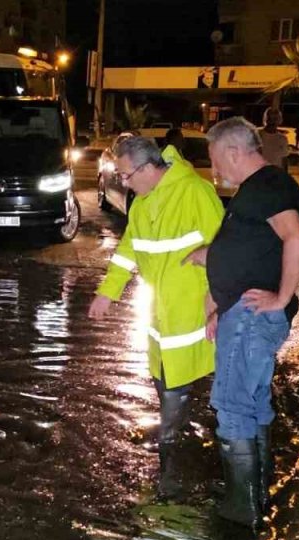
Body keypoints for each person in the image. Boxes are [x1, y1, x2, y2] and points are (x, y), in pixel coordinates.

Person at [88, 136, 225, 501]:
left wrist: (217, 305)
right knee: (164, 376)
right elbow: (128, 249)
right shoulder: (143, 202)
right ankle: (175, 444)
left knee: (185, 381)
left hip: (193, 308)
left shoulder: (196, 193)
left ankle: (174, 459)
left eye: (127, 175)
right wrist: (107, 292)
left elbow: (224, 251)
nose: (124, 182)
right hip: (161, 310)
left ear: (148, 168)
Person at [195, 117, 299, 525]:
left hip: (251, 318)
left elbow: (298, 239)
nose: (215, 170)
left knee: (231, 405)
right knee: (252, 403)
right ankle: (258, 495)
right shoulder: (260, 189)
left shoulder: (266, 185)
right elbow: (252, 249)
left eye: (215, 159)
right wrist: (219, 305)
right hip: (242, 315)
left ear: (232, 150)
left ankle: (241, 510)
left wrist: (280, 298)